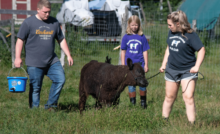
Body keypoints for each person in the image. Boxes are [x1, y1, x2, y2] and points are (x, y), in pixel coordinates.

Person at [14, 0, 73, 111]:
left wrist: (68, 55)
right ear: (38, 10)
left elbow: (61, 40)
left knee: (60, 79)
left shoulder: (54, 22)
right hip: (34, 62)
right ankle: (34, 111)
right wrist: (17, 57)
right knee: (36, 88)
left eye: (49, 12)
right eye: (45, 12)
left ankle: (51, 106)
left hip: (52, 61)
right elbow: (20, 40)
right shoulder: (28, 23)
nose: (47, 14)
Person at [159, 10, 205, 124]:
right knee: (169, 97)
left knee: (188, 97)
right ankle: (163, 121)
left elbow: (201, 49)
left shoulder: (190, 35)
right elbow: (169, 47)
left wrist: (197, 66)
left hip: (188, 70)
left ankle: (191, 125)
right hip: (172, 69)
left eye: (170, 25)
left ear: (178, 24)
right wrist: (164, 64)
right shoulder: (171, 32)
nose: (169, 27)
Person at [121, 15, 150, 109]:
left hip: (140, 65)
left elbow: (145, 51)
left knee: (142, 83)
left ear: (139, 25)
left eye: (136, 25)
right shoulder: (126, 37)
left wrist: (146, 64)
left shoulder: (142, 37)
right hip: (130, 66)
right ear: (129, 25)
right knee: (131, 84)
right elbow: (123, 51)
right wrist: (123, 64)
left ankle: (143, 103)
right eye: (132, 25)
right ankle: (132, 104)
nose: (134, 27)